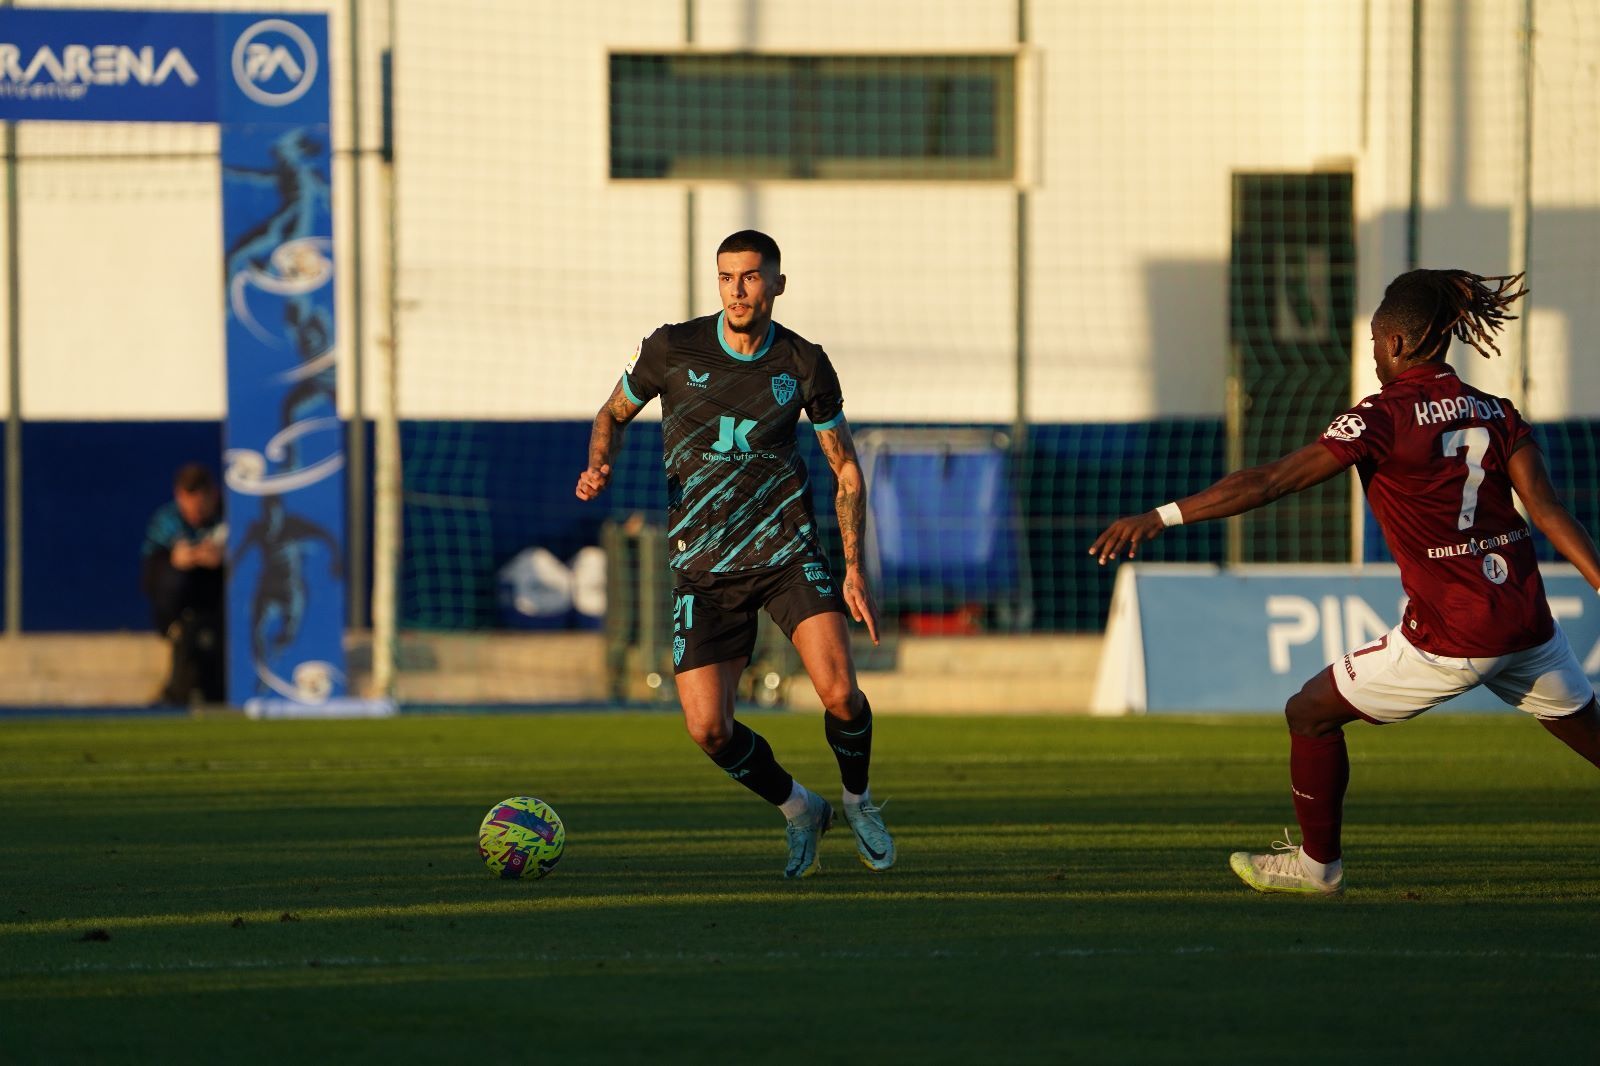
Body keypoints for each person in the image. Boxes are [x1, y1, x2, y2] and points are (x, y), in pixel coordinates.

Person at [1090, 269, 1600, 895]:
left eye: (1375, 344)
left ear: (1399, 345)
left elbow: (1271, 481)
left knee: (1308, 713)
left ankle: (1317, 866)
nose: (1375, 358)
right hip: (1526, 623)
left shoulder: (1380, 418)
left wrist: (1161, 515)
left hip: (1455, 635)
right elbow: (1547, 511)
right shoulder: (1494, 411)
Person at [575, 229, 893, 879]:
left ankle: (859, 800)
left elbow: (847, 472)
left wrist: (853, 567)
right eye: (727, 278)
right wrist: (598, 464)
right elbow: (610, 415)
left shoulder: (804, 362)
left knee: (839, 691)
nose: (738, 290)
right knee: (708, 730)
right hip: (703, 566)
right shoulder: (672, 347)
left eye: (751, 278)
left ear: (777, 283)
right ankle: (802, 808)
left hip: (785, 553)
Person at [141, 463, 227, 705]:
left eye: (200, 508)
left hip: (219, 599)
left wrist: (225, 560)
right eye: (189, 508)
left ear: (213, 495)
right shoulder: (166, 522)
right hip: (182, 603)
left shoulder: (232, 516)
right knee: (173, 579)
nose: (195, 516)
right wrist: (174, 562)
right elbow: (149, 579)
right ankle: (177, 630)